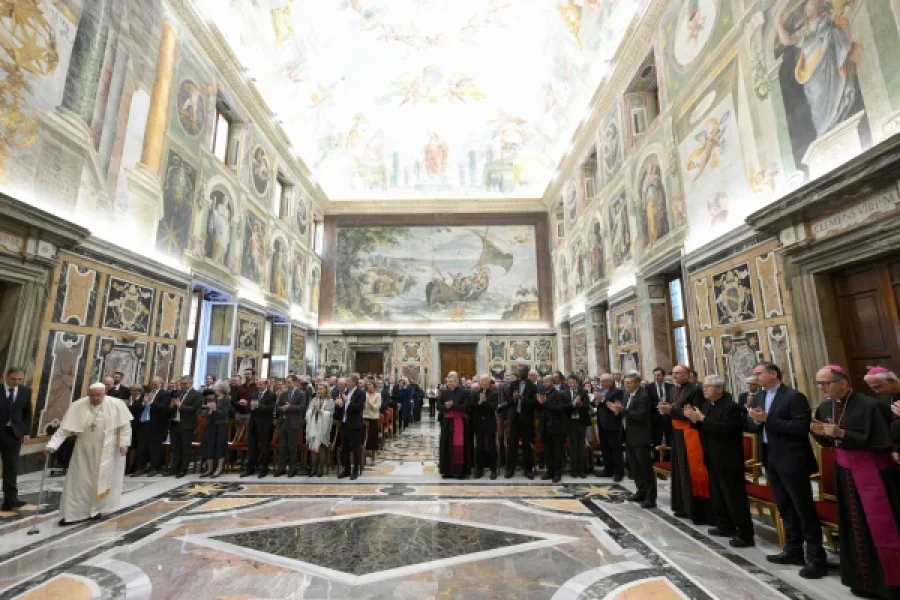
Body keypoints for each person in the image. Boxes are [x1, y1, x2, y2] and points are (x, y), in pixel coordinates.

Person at [811, 365, 900, 598]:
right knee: (852, 526)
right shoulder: (825, 407)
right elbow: (829, 443)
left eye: (826, 383)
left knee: (881, 528)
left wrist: (841, 434)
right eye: (819, 384)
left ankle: (889, 584)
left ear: (843, 382)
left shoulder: (871, 406)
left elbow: (882, 442)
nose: (822, 388)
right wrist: (820, 433)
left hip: (874, 475)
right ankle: (861, 580)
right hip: (845, 475)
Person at [746, 361, 825, 579]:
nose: (755, 377)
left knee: (803, 508)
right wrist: (753, 419)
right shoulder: (760, 396)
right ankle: (793, 550)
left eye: (759, 373)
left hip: (793, 459)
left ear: (773, 374)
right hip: (770, 458)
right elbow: (755, 427)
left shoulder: (793, 397)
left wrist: (767, 419)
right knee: (785, 506)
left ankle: (817, 558)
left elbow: (800, 429)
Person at [44, 383, 132, 525]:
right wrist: (52, 445)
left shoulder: (116, 404)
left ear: (105, 393)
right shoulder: (78, 405)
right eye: (92, 395)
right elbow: (64, 429)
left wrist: (124, 443)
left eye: (99, 395)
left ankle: (95, 511)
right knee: (78, 482)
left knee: (99, 482)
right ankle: (72, 514)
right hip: (83, 450)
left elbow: (125, 426)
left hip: (106, 450)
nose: (96, 398)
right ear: (88, 393)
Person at [686, 375, 755, 548]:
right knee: (718, 494)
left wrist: (702, 419)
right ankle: (725, 525)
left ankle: (745, 534)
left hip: (729, 459)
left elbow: (725, 429)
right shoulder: (706, 405)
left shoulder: (732, 407)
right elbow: (704, 427)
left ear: (720, 389)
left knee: (734, 497)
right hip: (711, 455)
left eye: (708, 387)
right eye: (704, 387)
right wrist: (694, 420)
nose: (705, 389)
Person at [658, 364, 710, 525]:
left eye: (678, 373)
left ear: (688, 375)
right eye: (673, 373)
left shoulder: (695, 390)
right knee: (680, 471)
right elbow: (677, 410)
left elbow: (693, 413)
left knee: (691, 471)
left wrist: (670, 411)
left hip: (691, 434)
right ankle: (683, 507)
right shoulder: (676, 390)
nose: (674, 376)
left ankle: (697, 511)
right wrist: (667, 411)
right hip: (678, 434)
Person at [617, 372, 656, 508]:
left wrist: (623, 410)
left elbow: (641, 416)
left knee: (645, 467)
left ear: (638, 383)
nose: (626, 385)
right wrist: (618, 410)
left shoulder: (643, 396)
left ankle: (651, 497)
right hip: (630, 435)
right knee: (634, 465)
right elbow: (626, 411)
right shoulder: (627, 394)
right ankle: (641, 490)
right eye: (625, 382)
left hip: (640, 436)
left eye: (629, 382)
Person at [1, 367, 32, 511]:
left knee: (11, 468)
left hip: (13, 435)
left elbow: (27, 413)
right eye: (14, 379)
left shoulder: (25, 391)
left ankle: (11, 500)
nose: (16, 382)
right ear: (6, 377)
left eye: (20, 379)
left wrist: (26, 432)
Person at [502, 365, 538, 479]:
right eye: (518, 370)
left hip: (527, 419)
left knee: (527, 446)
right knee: (512, 445)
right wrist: (513, 399)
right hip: (515, 418)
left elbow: (534, 403)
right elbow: (508, 400)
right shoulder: (513, 384)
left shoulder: (532, 386)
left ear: (526, 372)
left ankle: (528, 470)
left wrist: (522, 398)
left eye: (521, 371)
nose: (519, 372)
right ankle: (510, 469)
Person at [131, 377, 169, 477]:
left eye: (156, 384)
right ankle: (140, 468)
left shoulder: (164, 394)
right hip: (143, 423)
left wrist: (152, 402)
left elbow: (164, 408)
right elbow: (135, 407)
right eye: (152, 383)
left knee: (154, 448)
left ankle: (154, 468)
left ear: (161, 384)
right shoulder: (145, 393)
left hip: (156, 426)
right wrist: (143, 402)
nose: (153, 385)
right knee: (141, 447)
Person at [539, 377, 572, 483]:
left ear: (553, 382)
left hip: (557, 427)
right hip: (545, 426)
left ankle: (557, 473)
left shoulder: (559, 394)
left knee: (557, 452)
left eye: (547, 381)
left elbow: (559, 409)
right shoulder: (543, 394)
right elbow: (541, 410)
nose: (545, 383)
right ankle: (549, 472)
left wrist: (544, 404)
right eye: (544, 381)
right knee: (548, 451)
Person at [438, 371, 470, 479]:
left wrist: (453, 405)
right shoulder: (444, 392)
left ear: (457, 381)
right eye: (448, 382)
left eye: (451, 382)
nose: (449, 384)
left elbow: (466, 406)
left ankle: (459, 472)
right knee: (446, 445)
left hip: (459, 422)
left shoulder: (464, 392)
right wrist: (446, 407)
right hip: (447, 423)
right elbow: (439, 406)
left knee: (458, 446)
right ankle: (447, 470)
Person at [168, 376, 202, 477]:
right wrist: (171, 405)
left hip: (187, 425)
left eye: (185, 384)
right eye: (181, 384)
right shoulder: (178, 393)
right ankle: (175, 468)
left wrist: (180, 406)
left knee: (185, 448)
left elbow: (194, 409)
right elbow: (171, 409)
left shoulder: (196, 394)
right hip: (175, 423)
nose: (182, 386)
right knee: (175, 448)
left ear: (191, 383)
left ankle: (183, 469)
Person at [243, 378, 276, 478]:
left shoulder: (271, 395)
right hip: (253, 423)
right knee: (251, 447)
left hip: (264, 424)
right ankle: (250, 468)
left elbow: (270, 408)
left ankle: (263, 469)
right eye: (257, 384)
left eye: (261, 384)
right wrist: (250, 406)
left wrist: (259, 406)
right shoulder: (254, 394)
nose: (258, 386)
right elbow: (251, 407)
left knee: (264, 447)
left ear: (266, 384)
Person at [275, 376, 307, 477]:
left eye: (289, 382)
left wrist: (290, 407)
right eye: (286, 382)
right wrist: (282, 408)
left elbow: (302, 407)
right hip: (283, 422)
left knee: (292, 447)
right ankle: (281, 468)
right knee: (282, 447)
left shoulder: (301, 393)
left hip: (293, 423)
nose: (287, 384)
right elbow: (277, 408)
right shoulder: (283, 394)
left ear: (295, 383)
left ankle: (293, 469)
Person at [596, 374, 625, 481]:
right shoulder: (603, 391)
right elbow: (600, 405)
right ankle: (607, 470)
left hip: (613, 425)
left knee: (615, 449)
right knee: (605, 448)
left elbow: (616, 407)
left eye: (603, 381)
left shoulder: (617, 391)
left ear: (610, 381)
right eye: (601, 381)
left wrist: (602, 400)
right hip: (602, 424)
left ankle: (618, 472)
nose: (601, 383)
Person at [199, 384, 229, 478]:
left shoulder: (226, 400)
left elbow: (224, 413)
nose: (214, 390)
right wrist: (209, 412)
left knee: (219, 446)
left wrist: (215, 409)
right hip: (210, 424)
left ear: (221, 390)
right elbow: (203, 411)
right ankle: (209, 469)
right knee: (209, 445)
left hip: (221, 425)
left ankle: (219, 468)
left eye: (215, 389)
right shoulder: (211, 398)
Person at [471, 374, 499, 479]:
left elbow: (493, 407)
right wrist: (479, 402)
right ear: (480, 383)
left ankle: (493, 470)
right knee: (480, 447)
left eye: (487, 381)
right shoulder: (474, 393)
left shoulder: (494, 393)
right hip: (478, 423)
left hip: (489, 423)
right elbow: (472, 407)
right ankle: (479, 469)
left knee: (492, 447)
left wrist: (485, 401)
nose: (485, 383)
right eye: (483, 381)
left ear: (489, 383)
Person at [338, 375, 365, 479]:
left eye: (348, 381)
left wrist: (347, 401)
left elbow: (359, 408)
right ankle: (347, 470)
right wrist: (340, 405)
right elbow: (344, 409)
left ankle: (355, 471)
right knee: (345, 449)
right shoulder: (346, 393)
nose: (346, 383)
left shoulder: (360, 393)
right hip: (345, 424)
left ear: (354, 382)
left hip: (354, 425)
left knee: (355, 449)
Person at [307, 384, 334, 477]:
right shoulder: (314, 400)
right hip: (313, 426)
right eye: (318, 389)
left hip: (323, 428)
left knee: (322, 448)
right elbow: (308, 412)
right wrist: (313, 411)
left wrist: (321, 411)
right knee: (313, 448)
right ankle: (313, 468)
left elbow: (330, 414)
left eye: (321, 389)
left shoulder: (330, 401)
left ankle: (321, 469)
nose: (319, 391)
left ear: (326, 390)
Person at [647, 367, 673, 459]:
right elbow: (647, 403)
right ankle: (657, 460)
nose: (656, 377)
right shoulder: (648, 387)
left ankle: (670, 460)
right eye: (655, 375)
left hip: (668, 417)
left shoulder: (670, 387)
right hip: (655, 418)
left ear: (663, 376)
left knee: (670, 439)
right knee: (656, 440)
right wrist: (658, 404)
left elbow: (673, 400)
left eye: (659, 375)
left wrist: (667, 404)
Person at [568, 375, 591, 478]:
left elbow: (587, 406)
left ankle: (581, 470)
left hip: (581, 422)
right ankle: (573, 469)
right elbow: (563, 407)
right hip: (571, 422)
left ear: (577, 383)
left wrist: (580, 403)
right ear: (568, 383)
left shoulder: (583, 392)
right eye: (570, 382)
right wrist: (572, 404)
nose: (572, 384)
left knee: (581, 446)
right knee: (573, 447)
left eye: (574, 382)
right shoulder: (564, 393)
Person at [363, 379, 382, 464]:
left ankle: (373, 459)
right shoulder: (364, 394)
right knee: (364, 438)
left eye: (370, 385)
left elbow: (376, 408)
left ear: (374, 386)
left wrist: (369, 402)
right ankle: (364, 458)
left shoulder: (378, 395)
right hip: (364, 417)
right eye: (367, 385)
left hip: (373, 418)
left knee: (373, 439)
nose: (368, 386)